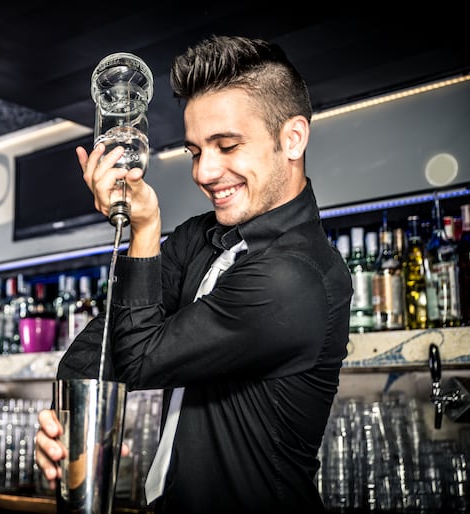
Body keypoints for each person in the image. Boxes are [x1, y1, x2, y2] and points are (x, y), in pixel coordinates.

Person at [34, 34, 353, 514]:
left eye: (227, 146)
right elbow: (96, 351)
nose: (204, 172)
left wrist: (145, 230)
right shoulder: (198, 237)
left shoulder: (294, 276)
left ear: (292, 138)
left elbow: (137, 360)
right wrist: (64, 425)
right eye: (195, 151)